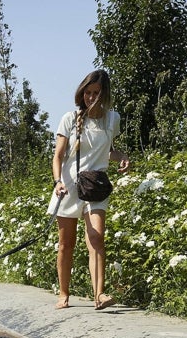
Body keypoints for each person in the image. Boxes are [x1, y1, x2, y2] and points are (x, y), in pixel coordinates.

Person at [47, 69, 130, 310]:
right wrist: (57, 182)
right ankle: (64, 293)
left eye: (96, 93)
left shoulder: (112, 119)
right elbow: (58, 156)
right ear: (82, 93)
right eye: (88, 93)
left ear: (105, 94)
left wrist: (122, 156)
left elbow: (107, 152)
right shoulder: (69, 119)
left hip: (96, 186)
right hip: (69, 187)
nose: (91, 97)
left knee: (96, 237)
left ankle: (99, 294)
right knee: (66, 244)